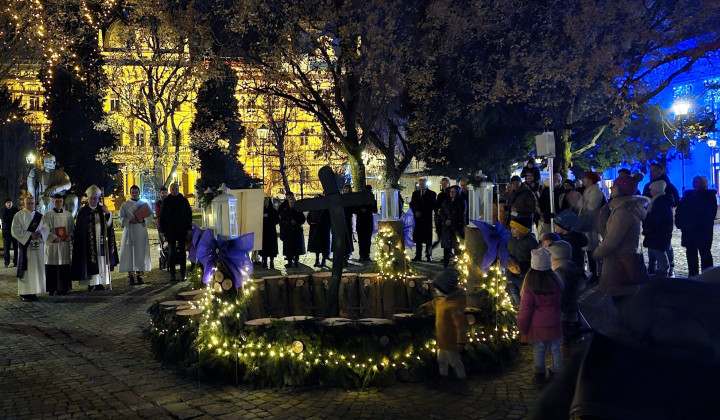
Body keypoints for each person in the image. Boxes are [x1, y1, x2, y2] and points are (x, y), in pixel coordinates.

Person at [592, 176, 649, 311]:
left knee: (623, 302)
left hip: (620, 262)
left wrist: (596, 254)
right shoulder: (619, 209)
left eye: (615, 186)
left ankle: (630, 329)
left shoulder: (623, 212)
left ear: (622, 189)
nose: (611, 188)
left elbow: (611, 241)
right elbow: (606, 232)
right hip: (621, 259)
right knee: (624, 301)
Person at [517, 247, 563, 389]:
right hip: (554, 321)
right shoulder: (556, 282)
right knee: (555, 348)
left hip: (537, 326)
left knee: (539, 349)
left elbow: (525, 310)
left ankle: (540, 375)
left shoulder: (530, 287)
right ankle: (557, 374)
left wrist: (522, 326)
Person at [419, 270, 467, 390]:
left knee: (455, 361)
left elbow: (460, 325)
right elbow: (434, 304)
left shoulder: (454, 306)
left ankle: (461, 381)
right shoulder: (441, 301)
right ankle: (443, 379)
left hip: (451, 342)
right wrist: (425, 307)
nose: (435, 291)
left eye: (437, 289)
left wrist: (460, 341)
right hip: (442, 340)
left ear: (446, 289)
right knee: (442, 360)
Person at [71, 185, 118, 291]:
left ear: (98, 199)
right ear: (88, 199)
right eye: (91, 198)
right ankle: (92, 283)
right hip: (88, 242)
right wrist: (92, 222)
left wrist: (107, 213)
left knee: (101, 260)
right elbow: (80, 227)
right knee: (90, 260)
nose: (93, 200)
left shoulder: (102, 210)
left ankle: (101, 282)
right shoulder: (83, 212)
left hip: (101, 240)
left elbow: (109, 225)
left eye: (95, 198)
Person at [642, 162, 680, 276]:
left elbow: (676, 199)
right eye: (651, 170)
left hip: (661, 221)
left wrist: (667, 207)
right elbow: (645, 199)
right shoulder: (648, 185)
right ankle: (652, 267)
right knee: (652, 245)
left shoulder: (668, 186)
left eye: (654, 170)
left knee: (664, 245)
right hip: (650, 219)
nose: (652, 173)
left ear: (661, 171)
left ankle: (668, 267)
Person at [675, 175, 717, 276]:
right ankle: (693, 276)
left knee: (705, 253)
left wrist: (701, 224)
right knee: (691, 255)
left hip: (703, 230)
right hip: (689, 230)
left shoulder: (709, 196)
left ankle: (707, 276)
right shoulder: (687, 196)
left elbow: (710, 214)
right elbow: (680, 211)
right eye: (696, 182)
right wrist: (682, 224)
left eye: (700, 182)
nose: (697, 184)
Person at [11, 196, 46, 301]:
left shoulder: (40, 216)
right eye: (29, 203)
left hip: (37, 246)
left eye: (33, 203)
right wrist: (30, 235)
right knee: (26, 270)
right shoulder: (19, 215)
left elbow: (45, 228)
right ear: (24, 204)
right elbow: (14, 230)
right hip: (25, 246)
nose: (31, 205)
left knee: (36, 269)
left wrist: (41, 233)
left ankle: (34, 291)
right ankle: (24, 293)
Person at [118, 185, 153, 285]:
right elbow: (120, 217)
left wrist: (144, 219)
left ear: (139, 193)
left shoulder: (144, 204)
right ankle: (131, 275)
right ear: (130, 193)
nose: (134, 194)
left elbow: (151, 215)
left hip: (140, 231)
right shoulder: (125, 205)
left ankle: (140, 275)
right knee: (129, 253)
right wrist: (129, 220)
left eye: (136, 192)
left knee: (140, 252)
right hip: (129, 231)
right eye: (133, 192)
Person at [41, 194, 74, 295]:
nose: (59, 203)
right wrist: (54, 238)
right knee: (52, 267)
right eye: (57, 201)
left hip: (64, 245)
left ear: (63, 202)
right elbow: (44, 230)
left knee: (64, 266)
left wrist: (70, 236)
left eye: (60, 201)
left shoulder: (68, 215)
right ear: (53, 202)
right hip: (53, 246)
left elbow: (72, 228)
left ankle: (64, 288)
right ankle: (52, 288)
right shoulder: (47, 215)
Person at [159, 183, 192, 281]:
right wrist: (163, 230)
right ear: (170, 190)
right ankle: (172, 274)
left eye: (176, 189)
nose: (175, 191)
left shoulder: (184, 200)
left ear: (178, 189)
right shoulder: (166, 201)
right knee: (171, 253)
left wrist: (188, 228)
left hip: (181, 230)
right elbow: (162, 217)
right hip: (170, 231)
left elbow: (188, 215)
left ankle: (183, 273)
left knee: (182, 253)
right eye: (173, 189)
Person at [548, 240, 583, 331]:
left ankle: (566, 343)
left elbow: (558, 294)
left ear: (554, 257)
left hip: (563, 312)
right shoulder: (571, 267)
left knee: (564, 332)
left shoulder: (560, 274)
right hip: (571, 307)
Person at [577, 171, 604, 285]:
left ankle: (595, 273)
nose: (584, 180)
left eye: (586, 179)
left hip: (591, 223)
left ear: (591, 180)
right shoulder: (588, 190)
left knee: (591, 248)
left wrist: (581, 203)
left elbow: (592, 206)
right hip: (586, 222)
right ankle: (591, 272)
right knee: (587, 248)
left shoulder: (595, 191)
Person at [642, 180, 673, 279]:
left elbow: (657, 218)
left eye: (651, 189)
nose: (650, 191)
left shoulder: (660, 202)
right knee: (656, 251)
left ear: (656, 190)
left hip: (657, 233)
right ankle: (657, 271)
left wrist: (649, 228)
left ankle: (663, 272)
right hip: (656, 232)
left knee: (659, 252)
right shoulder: (657, 200)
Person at [506, 218, 539, 306]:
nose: (511, 230)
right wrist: (509, 262)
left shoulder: (531, 242)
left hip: (524, 273)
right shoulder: (510, 239)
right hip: (511, 272)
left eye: (514, 228)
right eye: (511, 228)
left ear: (522, 230)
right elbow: (507, 252)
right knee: (513, 292)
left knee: (523, 293)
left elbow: (535, 257)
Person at [553, 209, 589, 278]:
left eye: (557, 225)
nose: (554, 227)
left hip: (570, 273)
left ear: (565, 226)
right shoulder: (574, 238)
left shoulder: (569, 242)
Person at [409, 178, 437, 262]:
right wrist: (416, 212)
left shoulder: (432, 194)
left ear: (426, 184)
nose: (421, 185)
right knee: (418, 239)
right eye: (420, 184)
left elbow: (431, 205)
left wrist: (422, 212)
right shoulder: (415, 193)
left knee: (428, 239)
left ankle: (429, 255)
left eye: (422, 184)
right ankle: (418, 255)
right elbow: (412, 204)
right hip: (417, 220)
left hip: (426, 219)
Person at [438, 185, 466, 267]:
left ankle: (457, 264)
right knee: (446, 247)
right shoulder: (446, 202)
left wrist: (452, 220)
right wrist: (445, 220)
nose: (451, 193)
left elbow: (461, 213)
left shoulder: (461, 202)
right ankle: (446, 263)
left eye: (453, 192)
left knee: (457, 246)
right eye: (450, 191)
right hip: (447, 227)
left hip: (456, 226)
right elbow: (442, 212)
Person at [279, 194, 306, 268]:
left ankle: (296, 261)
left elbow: (302, 219)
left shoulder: (298, 210)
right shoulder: (285, 211)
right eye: (290, 202)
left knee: (296, 249)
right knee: (289, 249)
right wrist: (289, 223)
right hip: (288, 233)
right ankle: (289, 262)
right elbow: (281, 221)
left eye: (292, 202)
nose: (291, 204)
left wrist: (296, 222)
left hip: (296, 232)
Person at [306, 195, 330, 267]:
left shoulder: (325, 208)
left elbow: (329, 219)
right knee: (316, 247)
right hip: (315, 229)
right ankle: (317, 260)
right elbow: (309, 217)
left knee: (324, 246)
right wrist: (311, 223)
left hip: (323, 230)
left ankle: (323, 261)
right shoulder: (313, 208)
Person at [355, 185, 377, 262]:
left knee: (363, 240)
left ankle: (364, 255)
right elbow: (375, 210)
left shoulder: (369, 199)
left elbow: (375, 210)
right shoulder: (363, 199)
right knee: (365, 240)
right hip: (366, 221)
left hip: (364, 221)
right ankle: (365, 255)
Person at [260, 196, 280, 269]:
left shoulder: (273, 211)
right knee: (264, 247)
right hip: (264, 231)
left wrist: (269, 218)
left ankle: (272, 261)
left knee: (271, 247)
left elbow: (277, 220)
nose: (264, 203)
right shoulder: (260, 210)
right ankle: (264, 261)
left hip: (271, 231)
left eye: (265, 201)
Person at [2, 198, 19, 267]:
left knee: (16, 248)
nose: (9, 204)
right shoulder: (3, 211)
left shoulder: (16, 210)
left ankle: (16, 262)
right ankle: (7, 262)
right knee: (6, 249)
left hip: (15, 232)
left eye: (10, 202)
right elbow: (4, 220)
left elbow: (17, 220)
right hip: (6, 233)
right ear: (5, 204)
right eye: (8, 202)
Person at [434, 177, 451, 248]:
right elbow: (437, 204)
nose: (443, 185)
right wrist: (437, 210)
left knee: (447, 236)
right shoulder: (440, 195)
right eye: (442, 184)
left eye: (445, 183)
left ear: (448, 184)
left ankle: (448, 253)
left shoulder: (450, 194)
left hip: (447, 217)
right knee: (440, 234)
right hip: (440, 217)